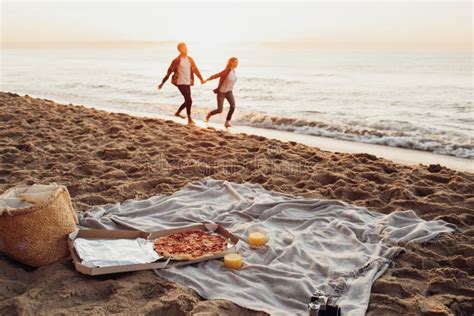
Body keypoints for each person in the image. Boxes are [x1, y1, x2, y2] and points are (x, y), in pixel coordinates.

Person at [158, 42, 204, 125]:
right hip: (180, 82)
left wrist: (201, 79)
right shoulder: (176, 60)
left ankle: (178, 113)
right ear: (179, 50)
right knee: (189, 100)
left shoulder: (190, 59)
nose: (185, 49)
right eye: (183, 48)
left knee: (188, 100)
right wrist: (162, 82)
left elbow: (195, 69)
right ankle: (189, 119)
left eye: (186, 47)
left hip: (188, 82)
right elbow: (169, 72)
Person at [204, 57, 238, 128]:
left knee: (233, 106)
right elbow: (217, 75)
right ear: (231, 63)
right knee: (220, 110)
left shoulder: (233, 71)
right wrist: (207, 79)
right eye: (235, 62)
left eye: (237, 62)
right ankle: (209, 114)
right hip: (221, 92)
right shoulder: (226, 71)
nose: (237, 64)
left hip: (229, 92)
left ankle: (227, 122)